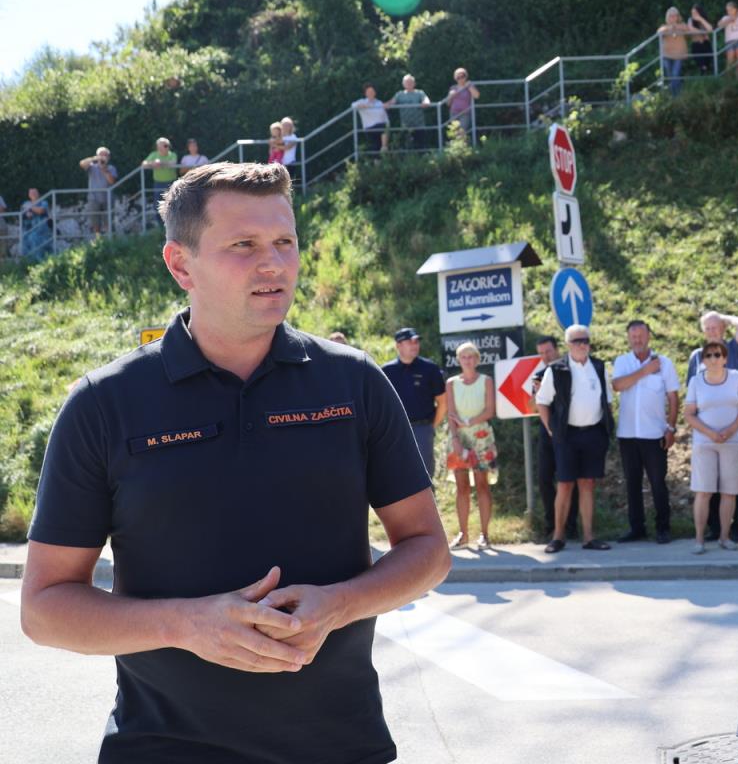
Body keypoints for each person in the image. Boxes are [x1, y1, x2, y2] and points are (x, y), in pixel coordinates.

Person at [20, 161, 451, 762]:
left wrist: (341, 604)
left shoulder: (354, 383)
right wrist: (185, 624)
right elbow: (44, 609)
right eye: (243, 245)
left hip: (342, 746)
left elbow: (428, 550)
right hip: (163, 750)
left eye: (284, 242)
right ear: (180, 265)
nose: (273, 263)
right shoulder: (103, 404)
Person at [536, 323, 613, 553]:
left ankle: (589, 537)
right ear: (568, 345)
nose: (582, 345)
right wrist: (551, 429)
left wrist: (605, 428)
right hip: (567, 435)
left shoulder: (598, 366)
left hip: (593, 433)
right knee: (565, 484)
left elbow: (607, 401)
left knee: (588, 484)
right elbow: (542, 401)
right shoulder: (556, 369)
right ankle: (558, 537)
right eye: (577, 341)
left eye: (585, 340)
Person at [613, 320, 680, 544]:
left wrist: (671, 427)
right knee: (632, 483)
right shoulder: (622, 361)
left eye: (641, 336)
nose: (637, 340)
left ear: (649, 336)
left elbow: (673, 397)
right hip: (628, 435)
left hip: (655, 434)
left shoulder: (664, 363)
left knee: (658, 483)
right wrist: (645, 371)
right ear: (628, 338)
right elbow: (618, 385)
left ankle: (663, 528)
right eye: (633, 336)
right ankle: (637, 528)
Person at [686, 310, 738, 543]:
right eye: (708, 328)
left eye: (715, 327)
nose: (712, 332)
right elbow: (690, 393)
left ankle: (736, 528)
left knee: (731, 484)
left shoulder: (733, 348)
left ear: (723, 328)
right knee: (707, 485)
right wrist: (705, 429)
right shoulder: (697, 356)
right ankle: (714, 529)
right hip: (705, 431)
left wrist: (723, 317)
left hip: (732, 425)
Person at [445, 342, 498, 549]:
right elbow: (450, 413)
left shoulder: (486, 380)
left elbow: (490, 410)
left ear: (477, 359)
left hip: (481, 436)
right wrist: (455, 439)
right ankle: (463, 534)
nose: (467, 360)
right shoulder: (451, 383)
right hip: (458, 438)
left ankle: (484, 534)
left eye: (471, 356)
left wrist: (468, 422)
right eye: (463, 357)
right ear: (458, 360)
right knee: (462, 487)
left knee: (482, 484)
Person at [381, 327, 447, 476]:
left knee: (425, 475)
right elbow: (380, 404)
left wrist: (430, 427)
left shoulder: (430, 369)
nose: (414, 345)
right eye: (409, 342)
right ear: (398, 345)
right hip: (395, 431)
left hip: (422, 429)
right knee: (397, 475)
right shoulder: (386, 371)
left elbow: (443, 402)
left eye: (416, 342)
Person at [532, 335, 579, 540]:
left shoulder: (569, 370)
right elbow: (532, 407)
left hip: (569, 432)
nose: (545, 356)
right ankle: (551, 524)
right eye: (541, 353)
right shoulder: (539, 375)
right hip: (547, 432)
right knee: (544, 479)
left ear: (557, 350)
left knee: (570, 480)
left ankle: (571, 526)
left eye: (548, 351)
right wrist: (537, 394)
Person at [658, 7, 700, 98]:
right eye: (671, 16)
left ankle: (676, 96)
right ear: (668, 17)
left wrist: (676, 26)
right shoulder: (664, 27)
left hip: (679, 55)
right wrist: (670, 27)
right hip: (667, 55)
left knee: (675, 74)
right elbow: (659, 32)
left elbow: (688, 29)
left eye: (675, 16)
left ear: (678, 17)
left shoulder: (682, 25)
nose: (673, 18)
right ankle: (676, 94)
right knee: (670, 76)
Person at [385, 74, 432, 150]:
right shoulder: (399, 94)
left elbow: (427, 101)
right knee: (406, 147)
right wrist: (382, 106)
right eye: (407, 82)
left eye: (410, 82)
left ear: (414, 83)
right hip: (405, 126)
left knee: (421, 147)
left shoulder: (420, 93)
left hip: (419, 125)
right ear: (403, 84)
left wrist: (425, 103)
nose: (409, 84)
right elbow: (391, 103)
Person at [79, 147, 117, 236]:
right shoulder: (92, 167)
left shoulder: (111, 168)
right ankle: (98, 240)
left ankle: (110, 239)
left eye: (105, 155)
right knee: (95, 222)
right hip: (94, 198)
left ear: (109, 157)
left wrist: (104, 169)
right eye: (101, 155)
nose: (103, 157)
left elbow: (112, 181)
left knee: (109, 221)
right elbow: (82, 164)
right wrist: (95, 158)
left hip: (108, 198)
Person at [142, 137, 178, 213]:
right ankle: (158, 220)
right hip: (158, 183)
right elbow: (144, 164)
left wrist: (161, 163)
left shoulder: (172, 154)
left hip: (171, 183)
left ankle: (170, 220)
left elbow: (173, 163)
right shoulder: (154, 154)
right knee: (157, 205)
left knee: (171, 204)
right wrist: (152, 163)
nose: (166, 147)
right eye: (164, 146)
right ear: (158, 147)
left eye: (166, 145)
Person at [352, 83, 389, 154]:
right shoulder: (362, 101)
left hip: (381, 128)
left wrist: (388, 123)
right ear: (365, 93)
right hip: (369, 128)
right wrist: (361, 105)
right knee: (375, 147)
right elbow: (353, 105)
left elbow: (385, 116)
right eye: (368, 92)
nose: (371, 93)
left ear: (375, 92)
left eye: (372, 91)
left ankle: (384, 147)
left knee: (378, 146)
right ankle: (383, 148)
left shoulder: (379, 103)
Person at [447, 68, 479, 143]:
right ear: (455, 78)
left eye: (463, 76)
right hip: (454, 113)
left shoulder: (470, 86)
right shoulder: (453, 88)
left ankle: (462, 147)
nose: (461, 79)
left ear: (466, 76)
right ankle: (457, 148)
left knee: (462, 131)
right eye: (458, 77)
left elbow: (476, 96)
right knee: (454, 132)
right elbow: (448, 104)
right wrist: (450, 96)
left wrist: (469, 86)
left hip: (465, 113)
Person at [20, 187, 51, 259]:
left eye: (34, 193)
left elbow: (40, 211)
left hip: (42, 229)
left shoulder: (43, 202)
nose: (33, 194)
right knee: (25, 240)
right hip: (29, 228)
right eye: (31, 193)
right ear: (29, 195)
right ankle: (28, 261)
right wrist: (27, 213)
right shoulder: (25, 203)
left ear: (38, 194)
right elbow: (24, 214)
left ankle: (39, 260)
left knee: (34, 238)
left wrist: (30, 207)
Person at [688, 4, 715, 75]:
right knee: (701, 62)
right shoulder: (690, 20)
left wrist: (700, 19)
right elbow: (691, 29)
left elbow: (710, 29)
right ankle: (703, 73)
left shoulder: (704, 19)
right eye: (692, 13)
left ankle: (708, 76)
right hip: (696, 44)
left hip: (706, 43)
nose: (693, 14)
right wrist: (703, 33)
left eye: (695, 12)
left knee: (708, 61)